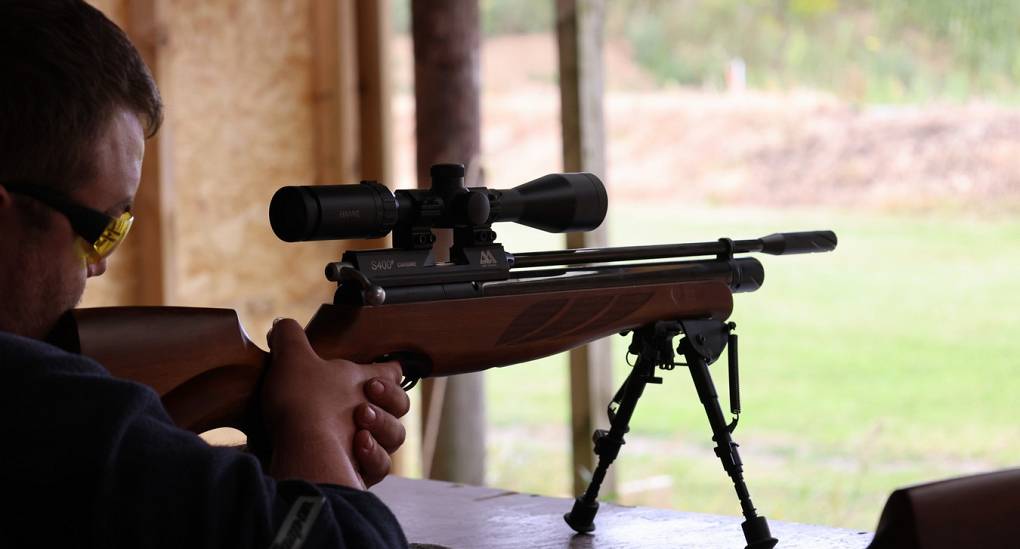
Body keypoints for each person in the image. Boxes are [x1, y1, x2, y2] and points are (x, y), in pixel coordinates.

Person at [0, 1, 409, 547]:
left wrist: (277, 456)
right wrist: (314, 427)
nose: (100, 264)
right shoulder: (48, 414)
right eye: (101, 229)